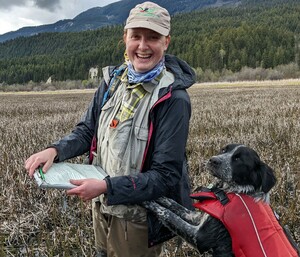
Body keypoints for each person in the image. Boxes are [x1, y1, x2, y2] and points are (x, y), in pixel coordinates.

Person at [25, 2, 196, 257]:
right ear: (124, 38)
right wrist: (55, 150)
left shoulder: (173, 99)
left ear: (166, 42)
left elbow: (165, 176)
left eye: (153, 37)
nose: (142, 45)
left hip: (138, 219)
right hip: (102, 208)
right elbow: (87, 130)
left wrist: (107, 187)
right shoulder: (112, 81)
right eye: (135, 36)